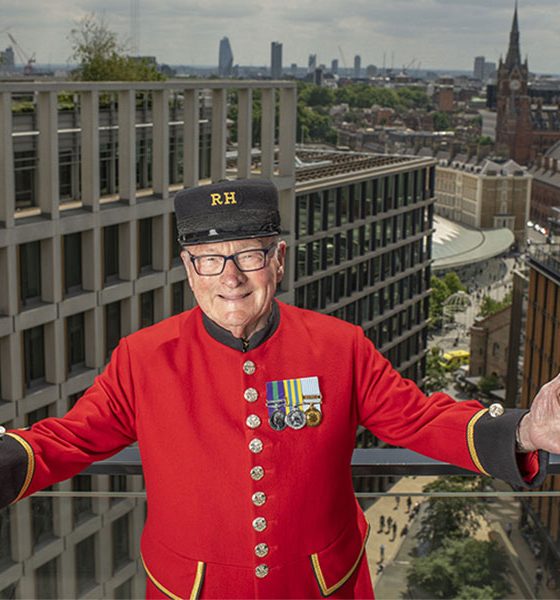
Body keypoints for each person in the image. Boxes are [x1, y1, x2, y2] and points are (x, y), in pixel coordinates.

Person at [0, 178, 559, 599]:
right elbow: (67, 441)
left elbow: (417, 419)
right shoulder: (142, 358)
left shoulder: (341, 347)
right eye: (211, 260)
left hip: (324, 586)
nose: (230, 277)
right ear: (189, 269)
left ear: (278, 261)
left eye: (248, 255)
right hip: (191, 592)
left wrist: (528, 430)